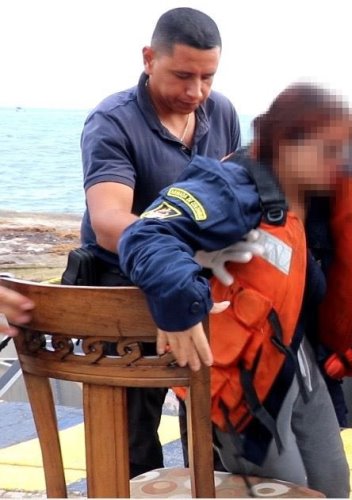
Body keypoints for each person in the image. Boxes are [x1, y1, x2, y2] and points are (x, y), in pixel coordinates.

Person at [116, 83, 352, 497]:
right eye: (328, 150)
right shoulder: (229, 188)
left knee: (333, 484)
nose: (338, 163)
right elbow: (146, 234)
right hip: (245, 391)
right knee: (286, 490)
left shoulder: (313, 191)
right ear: (285, 143)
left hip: (294, 360)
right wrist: (182, 306)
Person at [73, 7, 241, 478]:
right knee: (131, 454)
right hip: (124, 293)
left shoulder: (222, 112)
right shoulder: (112, 121)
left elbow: (235, 201)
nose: (196, 92)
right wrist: (170, 265)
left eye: (208, 77)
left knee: (214, 447)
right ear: (149, 58)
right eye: (183, 76)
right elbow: (108, 222)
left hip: (202, 294)